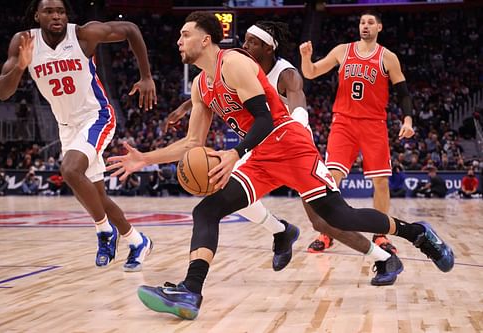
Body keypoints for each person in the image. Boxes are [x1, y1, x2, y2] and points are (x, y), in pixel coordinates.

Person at [107, 12, 453, 320]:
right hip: (260, 157)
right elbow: (192, 144)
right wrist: (145, 159)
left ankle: (417, 234)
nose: (178, 40)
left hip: (291, 146)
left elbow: (264, 118)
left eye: (185, 34)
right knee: (207, 211)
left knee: (339, 217)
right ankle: (190, 291)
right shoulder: (200, 85)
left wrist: (234, 153)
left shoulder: (235, 64)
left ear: (205, 39)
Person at [164, 20, 405, 284]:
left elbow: (298, 98)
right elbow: (214, 87)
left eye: (252, 42)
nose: (244, 45)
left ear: (268, 48)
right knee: (218, 195)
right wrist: (187, 106)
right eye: (244, 40)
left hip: (293, 146)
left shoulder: (285, 73)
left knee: (324, 221)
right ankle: (280, 231)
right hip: (260, 146)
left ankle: (381, 256)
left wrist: (297, 127)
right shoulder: (237, 67)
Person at [0, 0, 156, 272]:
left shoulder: (83, 34)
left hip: (96, 116)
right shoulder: (24, 41)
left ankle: (105, 232)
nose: (56, 16)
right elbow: (2, 92)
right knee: (96, 198)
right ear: (37, 15)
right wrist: (20, 67)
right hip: (66, 125)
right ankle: (137, 240)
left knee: (69, 170)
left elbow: (130, 29)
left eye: (60, 11)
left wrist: (146, 76)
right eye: (49, 11)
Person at [300, 10, 415, 253]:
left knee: (381, 182)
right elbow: (310, 73)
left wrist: (407, 119)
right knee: (331, 180)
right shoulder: (343, 50)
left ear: (379, 28)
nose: (365, 26)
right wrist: (305, 58)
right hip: (343, 122)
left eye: (370, 22)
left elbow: (403, 92)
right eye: (362, 22)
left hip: (374, 124)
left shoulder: (388, 57)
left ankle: (381, 235)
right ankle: (327, 232)